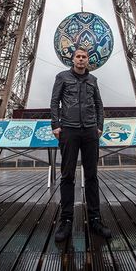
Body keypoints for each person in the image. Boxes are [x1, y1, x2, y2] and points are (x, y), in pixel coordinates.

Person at [50, 46, 111, 242]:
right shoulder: (62, 77)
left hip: (90, 132)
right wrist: (56, 126)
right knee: (67, 176)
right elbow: (54, 102)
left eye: (84, 57)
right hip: (69, 131)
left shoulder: (93, 80)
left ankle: (95, 218)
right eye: (78, 56)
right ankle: (66, 221)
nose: (81, 59)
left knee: (92, 176)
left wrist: (99, 126)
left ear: (88, 60)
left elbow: (99, 104)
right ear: (73, 59)